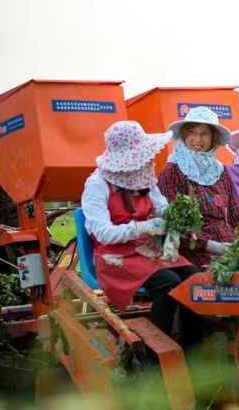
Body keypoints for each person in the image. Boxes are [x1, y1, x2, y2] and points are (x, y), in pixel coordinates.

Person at [81, 121, 202, 350]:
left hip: (147, 252)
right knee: (168, 285)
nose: (149, 160)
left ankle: (191, 351)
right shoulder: (97, 184)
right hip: (116, 257)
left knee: (194, 280)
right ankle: (153, 354)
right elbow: (103, 233)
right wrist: (144, 227)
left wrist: (177, 223)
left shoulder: (144, 178)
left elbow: (163, 209)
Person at [158, 107, 239, 267]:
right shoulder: (173, 170)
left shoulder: (220, 171)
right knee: (228, 275)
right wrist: (209, 244)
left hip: (228, 241)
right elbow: (175, 222)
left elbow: (237, 211)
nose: (198, 139)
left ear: (214, 139)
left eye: (205, 133)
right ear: (183, 136)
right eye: (192, 132)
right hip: (194, 246)